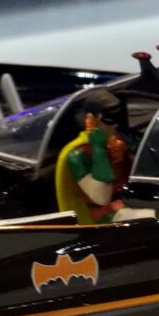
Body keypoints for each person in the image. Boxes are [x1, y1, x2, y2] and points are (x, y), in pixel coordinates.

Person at [56, 90, 137, 225]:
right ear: (93, 119)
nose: (116, 124)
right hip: (102, 215)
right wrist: (99, 149)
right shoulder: (78, 154)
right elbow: (101, 198)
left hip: (129, 200)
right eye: (110, 118)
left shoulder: (117, 142)